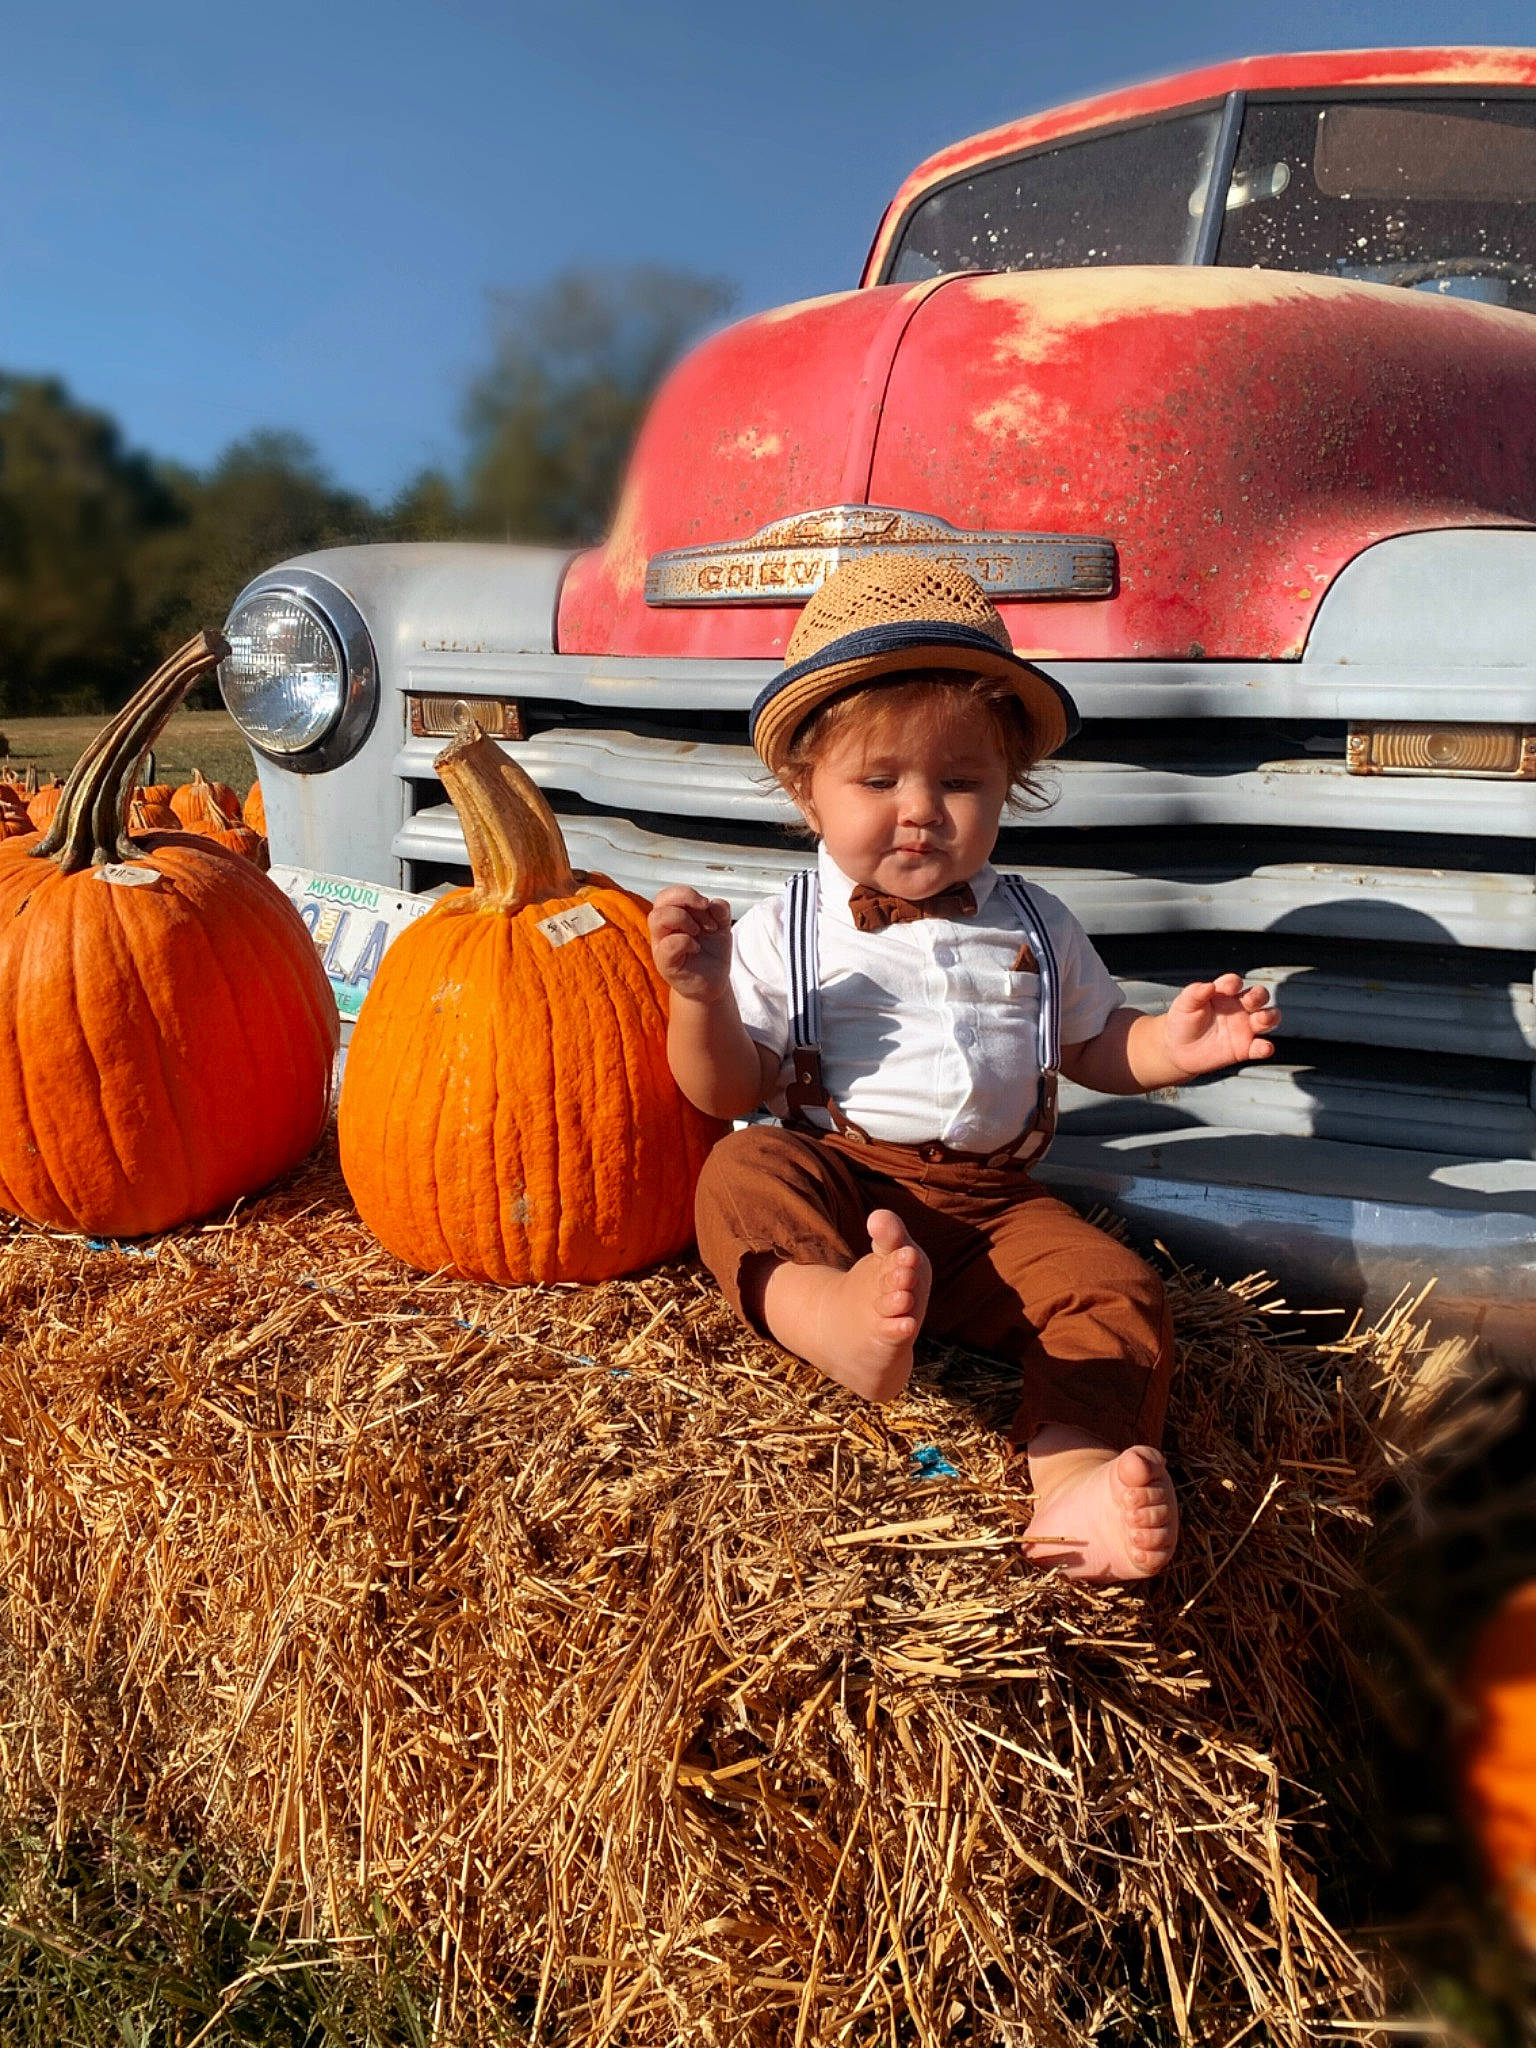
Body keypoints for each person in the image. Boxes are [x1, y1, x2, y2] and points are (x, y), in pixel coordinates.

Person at [647, 557, 1280, 1583]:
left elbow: (1092, 1044)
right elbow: (723, 1090)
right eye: (879, 780)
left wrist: (1171, 1045)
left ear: (1007, 787)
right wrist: (701, 995)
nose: (922, 810)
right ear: (806, 789)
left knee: (1118, 1291)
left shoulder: (1036, 920)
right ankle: (831, 1314)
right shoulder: (779, 929)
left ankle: (1071, 1485)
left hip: (995, 1210)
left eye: (960, 782)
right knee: (743, 1171)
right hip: (844, 1178)